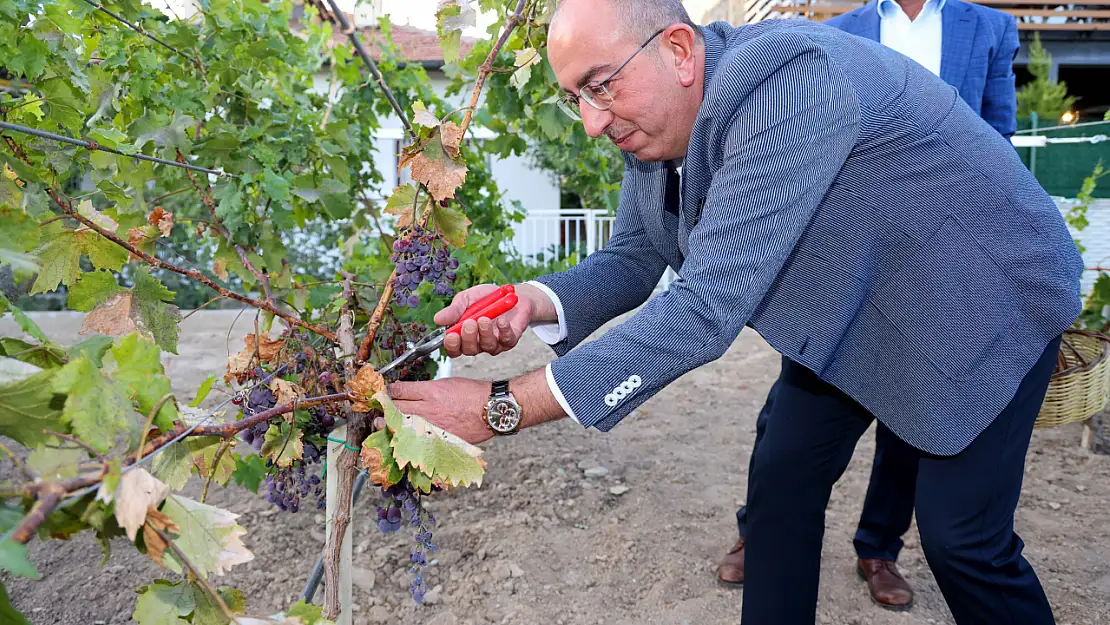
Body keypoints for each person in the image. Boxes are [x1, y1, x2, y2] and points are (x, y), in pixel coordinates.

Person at [387, 0, 1083, 623]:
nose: (593, 121)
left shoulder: (788, 83)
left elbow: (703, 310)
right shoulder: (658, 126)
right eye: (576, 97)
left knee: (961, 536)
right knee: (780, 485)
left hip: (981, 293)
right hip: (855, 303)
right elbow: (633, 258)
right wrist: (529, 301)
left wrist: (496, 405)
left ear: (680, 51)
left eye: (601, 85)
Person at [721, 0, 1022, 611]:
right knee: (789, 414)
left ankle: (878, 548)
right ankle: (762, 532)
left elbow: (999, 139)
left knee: (912, 425)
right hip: (846, 265)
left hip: (940, 267)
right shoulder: (835, 32)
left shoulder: (991, 28)